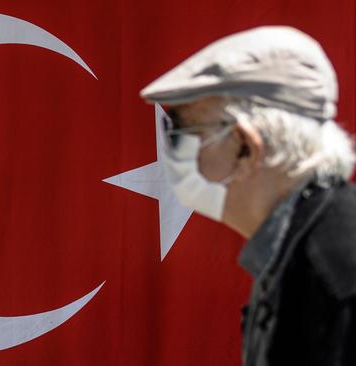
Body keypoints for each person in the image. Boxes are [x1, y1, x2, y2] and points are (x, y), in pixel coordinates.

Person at [140, 26, 356, 365]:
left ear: (246, 147)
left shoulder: (337, 271)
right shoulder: (294, 250)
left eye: (180, 134)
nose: (170, 152)